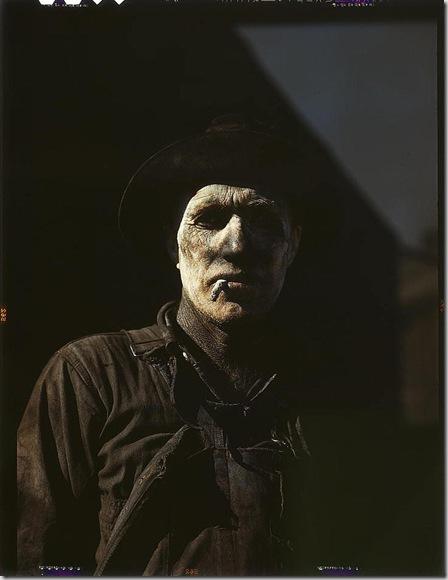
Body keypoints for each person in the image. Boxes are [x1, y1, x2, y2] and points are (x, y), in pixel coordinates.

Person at [17, 117, 315, 576]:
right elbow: (41, 559)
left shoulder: (319, 389)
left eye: (263, 220)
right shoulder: (90, 374)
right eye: (209, 219)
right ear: (172, 245)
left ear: (292, 247)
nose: (236, 244)